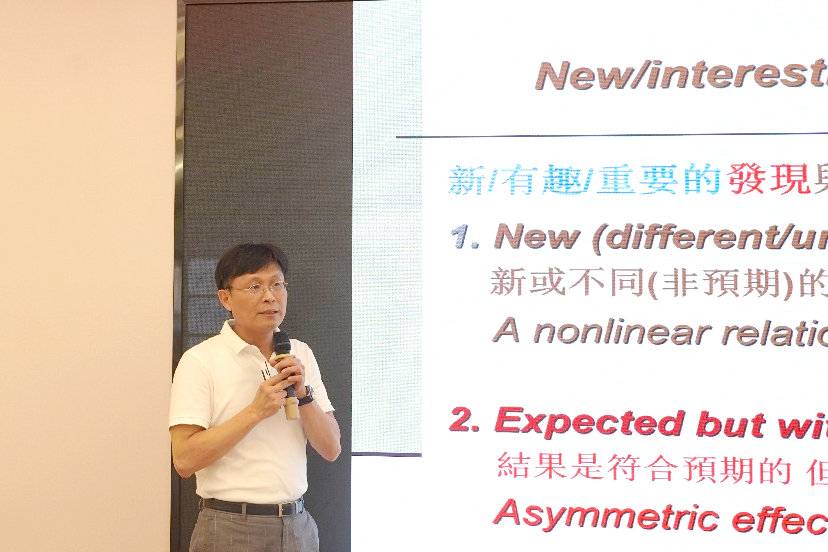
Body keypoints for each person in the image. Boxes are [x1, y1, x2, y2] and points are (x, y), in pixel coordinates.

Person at [169, 243, 341, 552]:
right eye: (254, 286)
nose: (269, 296)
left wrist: (303, 394)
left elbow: (331, 449)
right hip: (229, 526)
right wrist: (255, 412)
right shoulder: (200, 360)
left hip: (297, 527)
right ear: (226, 298)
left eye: (277, 284)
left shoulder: (300, 353)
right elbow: (184, 460)